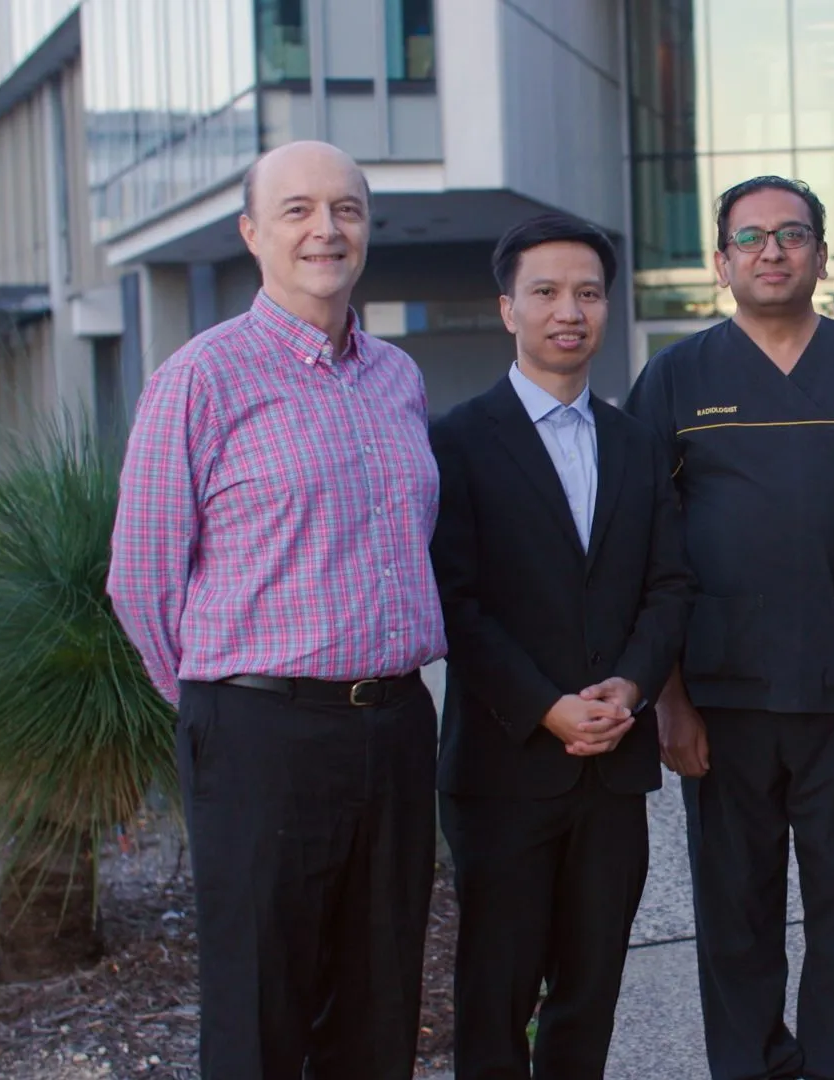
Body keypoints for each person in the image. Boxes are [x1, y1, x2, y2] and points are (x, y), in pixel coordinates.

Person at [108, 140, 444, 1080]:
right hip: (260, 729)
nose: (325, 229)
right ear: (253, 234)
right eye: (297, 210)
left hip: (396, 719)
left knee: (381, 1001)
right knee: (262, 1006)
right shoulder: (200, 378)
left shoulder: (398, 379)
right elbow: (140, 577)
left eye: (346, 209)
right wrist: (220, 706)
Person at [624, 175, 834, 1080]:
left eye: (790, 235)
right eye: (750, 238)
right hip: (720, 694)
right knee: (735, 910)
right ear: (721, 262)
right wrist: (668, 700)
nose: (771, 251)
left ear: (821, 256)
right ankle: (753, 1067)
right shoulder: (676, 378)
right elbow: (651, 544)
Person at [427, 213, 692, 1079]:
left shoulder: (637, 443)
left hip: (612, 765)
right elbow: (455, 604)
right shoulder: (455, 441)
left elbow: (669, 586)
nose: (567, 311)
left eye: (586, 293)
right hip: (505, 765)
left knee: (591, 991)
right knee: (496, 995)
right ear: (509, 309)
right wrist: (547, 706)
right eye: (544, 293)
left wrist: (631, 686)